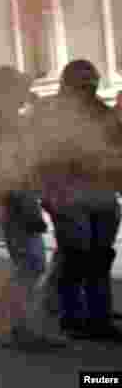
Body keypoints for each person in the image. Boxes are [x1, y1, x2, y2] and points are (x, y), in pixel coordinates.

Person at [0, 66, 65, 350]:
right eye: (20, 88)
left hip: (15, 197)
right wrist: (19, 201)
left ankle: (8, 323)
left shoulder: (0, 120)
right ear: (5, 90)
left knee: (29, 263)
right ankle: (15, 327)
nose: (25, 93)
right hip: (11, 199)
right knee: (31, 263)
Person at [36, 60, 122, 341]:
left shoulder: (103, 113)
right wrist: (48, 194)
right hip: (68, 196)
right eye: (82, 83)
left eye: (90, 83)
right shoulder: (51, 115)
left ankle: (98, 317)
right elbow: (39, 158)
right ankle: (72, 317)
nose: (87, 88)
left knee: (100, 258)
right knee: (76, 257)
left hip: (101, 195)